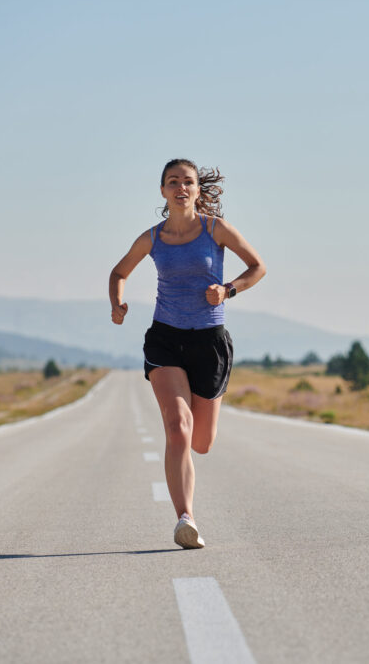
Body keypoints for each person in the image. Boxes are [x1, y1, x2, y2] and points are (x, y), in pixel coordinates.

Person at [109, 159, 266, 549]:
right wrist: (118, 304)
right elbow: (119, 272)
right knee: (178, 427)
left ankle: (186, 510)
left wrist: (228, 290)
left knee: (202, 442)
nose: (181, 187)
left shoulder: (216, 229)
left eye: (188, 182)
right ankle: (186, 519)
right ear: (162, 191)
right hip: (165, 338)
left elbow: (258, 267)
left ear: (198, 190)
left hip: (209, 342)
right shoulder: (153, 238)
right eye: (173, 182)